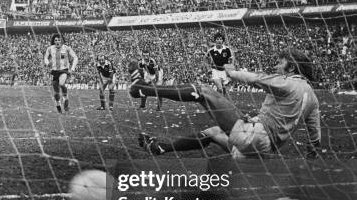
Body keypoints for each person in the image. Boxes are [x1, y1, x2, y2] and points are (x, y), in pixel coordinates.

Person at [131, 49, 321, 159]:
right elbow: (315, 138)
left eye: (280, 63)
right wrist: (309, 163)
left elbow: (257, 79)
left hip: (253, 137)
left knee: (203, 91)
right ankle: (161, 148)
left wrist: (231, 72)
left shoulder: (288, 83)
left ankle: (143, 89)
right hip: (263, 150)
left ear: (292, 67)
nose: (276, 67)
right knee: (213, 132)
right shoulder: (312, 98)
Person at [43, 34, 78, 113]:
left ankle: (65, 98)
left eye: (59, 40)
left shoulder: (67, 48)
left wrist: (72, 68)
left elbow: (75, 57)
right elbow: (45, 57)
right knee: (56, 93)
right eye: (56, 40)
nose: (57, 41)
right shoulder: (50, 49)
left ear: (62, 40)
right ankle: (58, 104)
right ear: (53, 41)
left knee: (62, 84)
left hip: (64, 70)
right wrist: (47, 63)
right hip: (54, 71)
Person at [207, 32, 234, 97]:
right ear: (215, 40)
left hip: (225, 71)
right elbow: (205, 59)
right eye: (217, 39)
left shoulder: (227, 50)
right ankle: (218, 101)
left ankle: (221, 100)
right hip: (215, 71)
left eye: (221, 39)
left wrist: (231, 68)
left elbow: (232, 59)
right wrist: (208, 69)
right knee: (219, 88)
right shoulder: (211, 51)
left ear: (223, 40)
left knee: (224, 89)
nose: (219, 40)